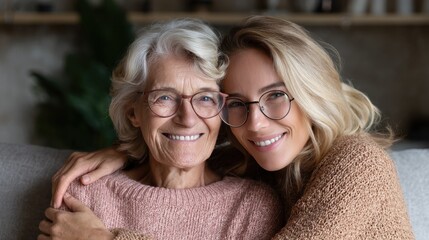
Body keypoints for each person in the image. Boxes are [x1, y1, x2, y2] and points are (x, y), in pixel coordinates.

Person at [50, 16, 414, 239]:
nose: (255, 123)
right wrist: (126, 150)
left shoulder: (358, 164)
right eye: (237, 103)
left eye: (276, 96)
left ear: (310, 93)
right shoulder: (258, 167)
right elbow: (183, 153)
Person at [38, 18, 284, 240]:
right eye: (165, 97)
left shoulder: (252, 207)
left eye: (205, 98)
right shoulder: (86, 193)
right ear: (133, 112)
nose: (187, 118)